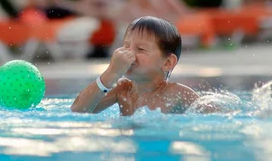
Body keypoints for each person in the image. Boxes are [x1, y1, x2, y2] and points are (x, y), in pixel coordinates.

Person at [71, 16, 210, 115]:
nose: (129, 53)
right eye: (126, 46)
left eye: (141, 49)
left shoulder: (176, 93)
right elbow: (78, 110)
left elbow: (214, 116)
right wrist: (111, 73)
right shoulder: (122, 90)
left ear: (167, 62)